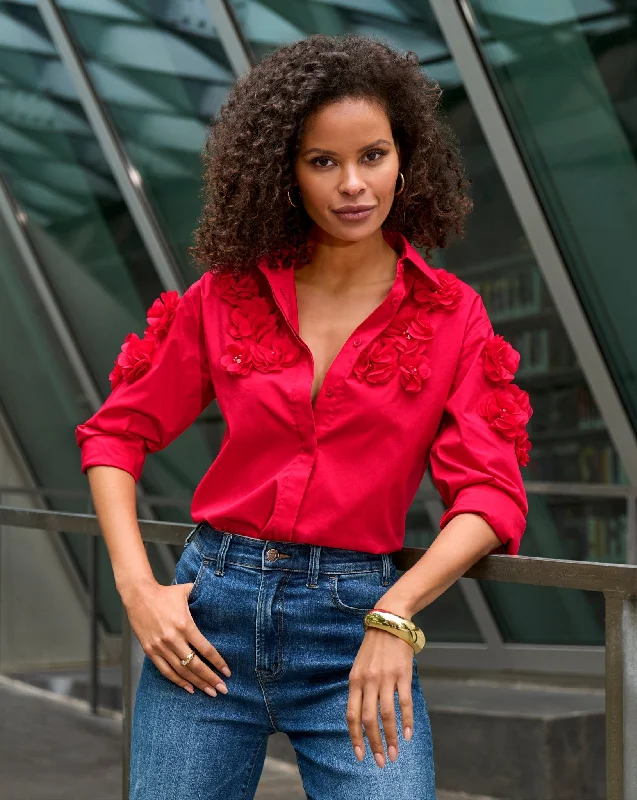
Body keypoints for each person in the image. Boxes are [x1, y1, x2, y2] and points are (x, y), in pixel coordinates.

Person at [75, 33, 531, 800]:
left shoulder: (453, 315)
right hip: (206, 621)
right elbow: (117, 432)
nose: (354, 185)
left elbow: (489, 492)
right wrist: (137, 590)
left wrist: (396, 616)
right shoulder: (226, 294)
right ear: (283, 171)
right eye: (324, 161)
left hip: (356, 627)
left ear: (405, 158)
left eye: (374, 156)